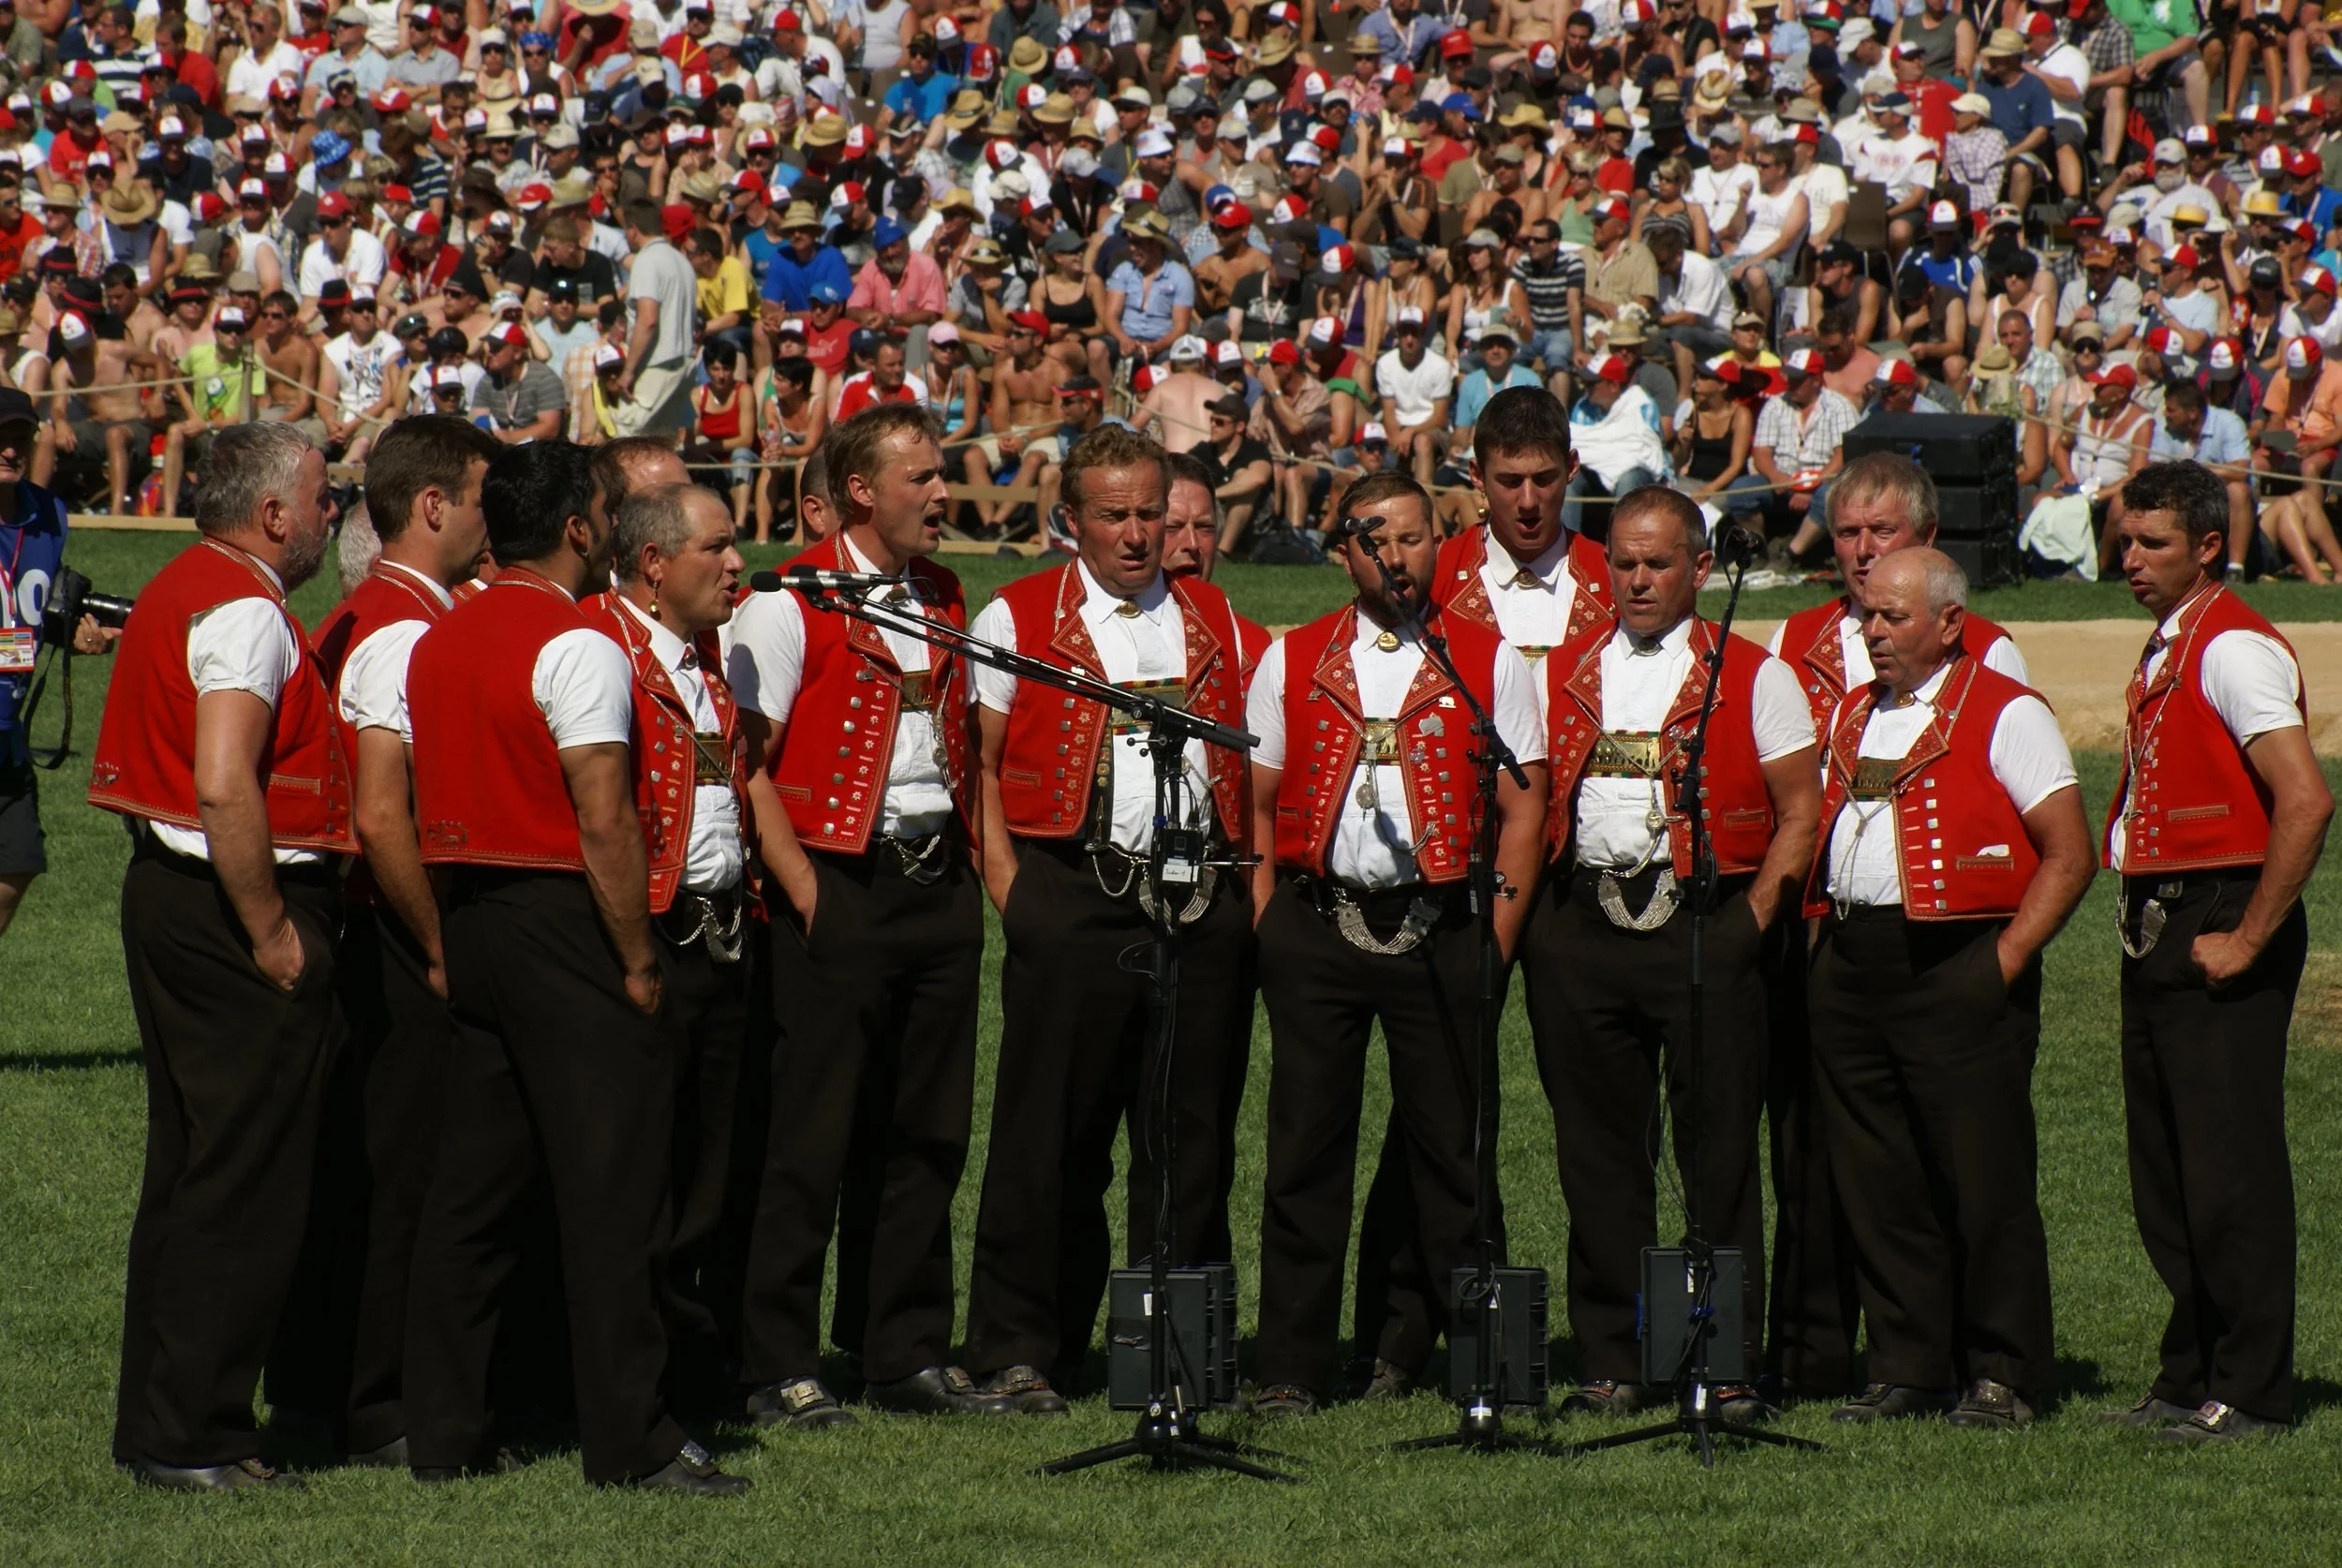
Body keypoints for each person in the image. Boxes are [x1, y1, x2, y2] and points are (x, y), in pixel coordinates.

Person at [400, 440, 748, 1495]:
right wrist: (637, 959)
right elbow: (604, 817)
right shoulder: (577, 642)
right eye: (606, 510)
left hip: (473, 915)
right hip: (563, 920)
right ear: (580, 529)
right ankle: (633, 1441)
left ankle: (445, 1431)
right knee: (616, 1197)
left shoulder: (442, 637)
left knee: (473, 1194)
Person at [1242, 471, 1549, 1417]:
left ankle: (1481, 1363)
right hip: (1316, 928)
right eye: (1377, 540)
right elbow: (1255, 806)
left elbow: (1525, 809)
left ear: (1437, 545)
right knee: (1305, 1151)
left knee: (1454, 1155)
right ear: (1346, 553)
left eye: (1415, 538)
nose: (1399, 557)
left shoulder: (1488, 660)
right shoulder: (1291, 658)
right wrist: (1269, 924)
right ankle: (1291, 1366)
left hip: (1444, 930)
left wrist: (1493, 942)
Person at [961, 424, 1253, 1412]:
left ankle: (1179, 1353)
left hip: (1199, 900)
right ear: (1071, 520)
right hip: (1072, 894)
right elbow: (980, 767)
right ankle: (1021, 1349)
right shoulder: (1016, 614)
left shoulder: (1214, 614)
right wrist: (1015, 893)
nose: (1136, 535)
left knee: (1190, 1138)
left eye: (1150, 515)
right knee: (1049, 1136)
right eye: (1114, 515)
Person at [87, 423, 348, 1492]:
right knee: (243, 1179)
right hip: (230, 904)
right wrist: (271, 929)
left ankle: (163, 1422)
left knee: (194, 1167)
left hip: (175, 894)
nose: (332, 515)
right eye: (323, 498)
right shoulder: (246, 611)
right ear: (274, 514)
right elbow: (225, 781)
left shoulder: (187, 585)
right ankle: (194, 1431)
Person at [728, 406, 996, 1426]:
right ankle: (775, 1361)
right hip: (837, 882)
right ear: (859, 492)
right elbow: (745, 764)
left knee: (925, 1131)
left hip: (935, 885)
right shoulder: (786, 601)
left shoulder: (943, 591)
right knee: (810, 1134)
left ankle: (903, 1351)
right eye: (921, 477)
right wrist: (807, 894)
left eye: (941, 473)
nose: (942, 492)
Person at [1532, 485, 1820, 1420]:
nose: (1639, 580)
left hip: (1706, 924)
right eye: (1623, 563)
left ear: (1699, 568)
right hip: (1582, 927)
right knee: (1597, 1152)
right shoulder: (1563, 671)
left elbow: (1801, 811)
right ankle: (1615, 1359)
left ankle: (1723, 1363)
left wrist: (1751, 922)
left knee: (1718, 1150)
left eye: (1658, 564)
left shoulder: (1755, 673)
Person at [1756, 451, 2031, 1404]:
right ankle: (1824, 1354)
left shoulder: (1987, 652)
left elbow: (2024, 815)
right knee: (1826, 1157)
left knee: (1958, 1158)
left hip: (1943, 943)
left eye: (1884, 532)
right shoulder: (1794, 640)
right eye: (1847, 533)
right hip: (1830, 944)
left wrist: (1997, 955)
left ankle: (1976, 1359)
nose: (1864, 551)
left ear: (1926, 539)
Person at [1807, 546, 2093, 1430]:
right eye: (1868, 615)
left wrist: (2002, 962)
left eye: (1894, 617)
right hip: (1854, 962)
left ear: (1949, 623)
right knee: (1877, 1176)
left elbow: (2070, 854)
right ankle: (1909, 1366)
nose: (1874, 631)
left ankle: (2004, 1370)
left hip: (1956, 959)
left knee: (1982, 1175)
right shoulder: (1855, 711)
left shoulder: (2008, 711)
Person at [2105, 460, 2333, 1445]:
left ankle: (2251, 1388)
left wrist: (2247, 937)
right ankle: (2189, 1371)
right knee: (2166, 1168)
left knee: (2228, 1166)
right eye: (2125, 540)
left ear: (2206, 546)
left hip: (2217, 912)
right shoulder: (2178, 638)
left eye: (2152, 543)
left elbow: (2305, 801)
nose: (2130, 559)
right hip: (2165, 921)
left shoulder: (2232, 648)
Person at [304, 414, 501, 1465]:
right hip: (393, 922)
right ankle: (381, 1402)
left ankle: (351, 1388)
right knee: (406, 1175)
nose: (490, 522)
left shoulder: (377, 611)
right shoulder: (404, 629)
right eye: (480, 499)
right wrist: (436, 943)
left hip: (369, 918)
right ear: (433, 507)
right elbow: (383, 815)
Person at [586, 480, 752, 1418]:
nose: (737, 564)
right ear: (653, 563)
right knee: (638, 1174)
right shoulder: (599, 646)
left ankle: (687, 1374)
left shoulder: (702, 658)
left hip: (719, 941)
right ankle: (630, 1386)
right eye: (716, 548)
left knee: (704, 1170)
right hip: (646, 940)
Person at [0, 386, 113, 942]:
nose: (10, 450)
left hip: (8, 738)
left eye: (20, 438)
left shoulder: (49, 516)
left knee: (18, 863)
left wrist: (77, 637)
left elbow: (32, 613)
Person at [611, 200, 699, 437]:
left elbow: (648, 319)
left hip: (658, 363)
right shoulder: (682, 261)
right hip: (683, 364)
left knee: (627, 436)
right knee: (663, 442)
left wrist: (628, 371)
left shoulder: (646, 260)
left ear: (633, 230)